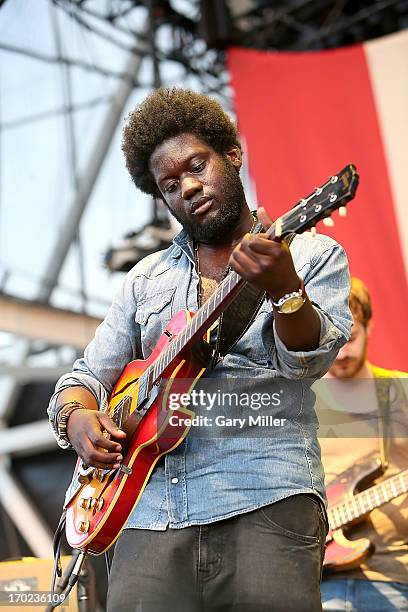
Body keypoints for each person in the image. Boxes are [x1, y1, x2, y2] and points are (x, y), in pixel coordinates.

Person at [48, 87, 352, 612]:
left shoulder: (308, 251)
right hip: (147, 516)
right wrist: (77, 418)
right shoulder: (146, 278)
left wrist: (286, 290)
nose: (188, 187)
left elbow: (309, 361)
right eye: (170, 184)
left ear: (231, 155)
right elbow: (86, 377)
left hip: (266, 501)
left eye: (197, 166)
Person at [315, 276, 408, 611]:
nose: (342, 353)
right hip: (314, 583)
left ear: (367, 326)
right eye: (332, 342)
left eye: (350, 338)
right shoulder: (296, 402)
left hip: (392, 577)